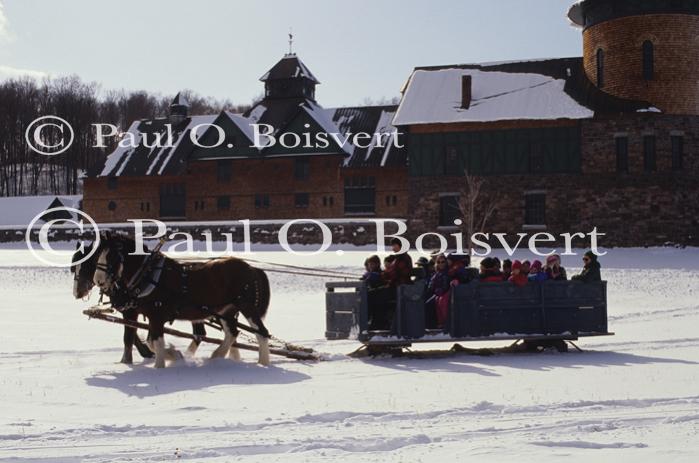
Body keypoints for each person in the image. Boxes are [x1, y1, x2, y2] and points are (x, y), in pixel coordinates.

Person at [426, 254, 451, 328]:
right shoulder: (436, 273)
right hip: (434, 293)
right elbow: (431, 285)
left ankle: (433, 326)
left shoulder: (447, 273)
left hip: (442, 294)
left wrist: (436, 291)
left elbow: (445, 286)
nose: (440, 264)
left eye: (442, 262)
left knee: (429, 304)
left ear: (446, 263)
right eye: (438, 262)